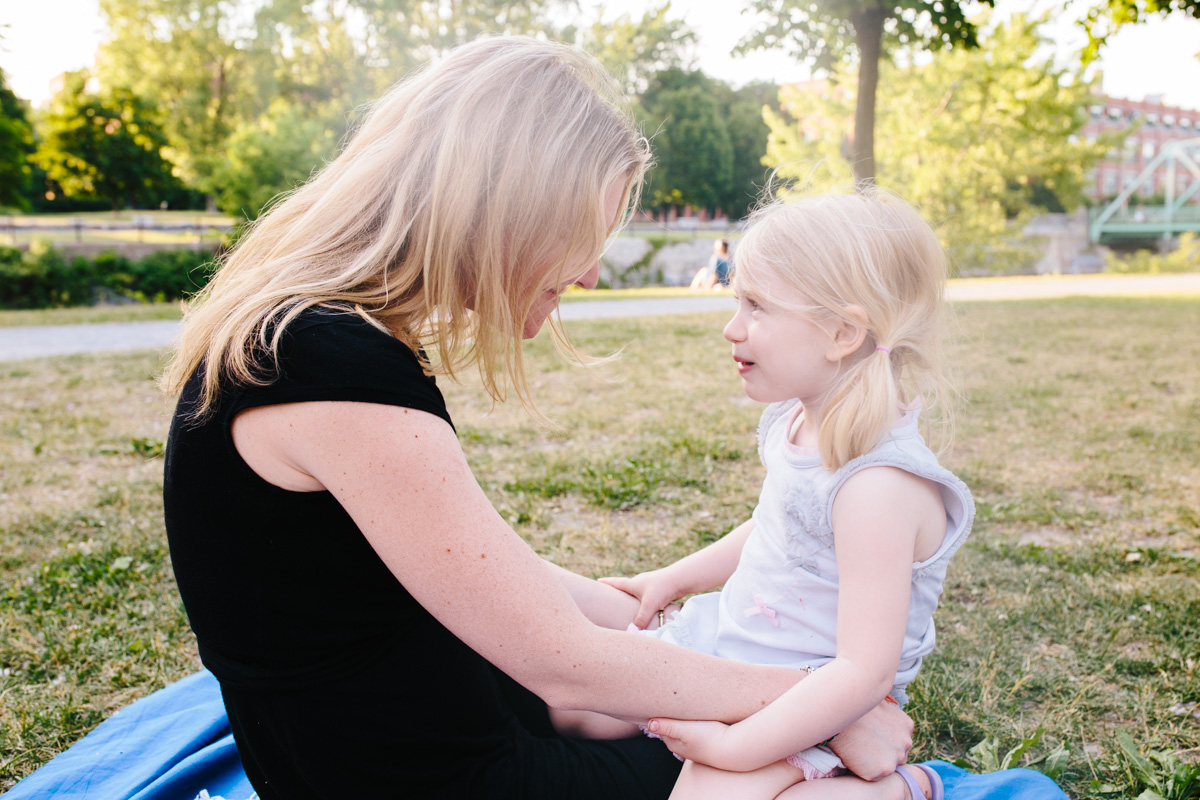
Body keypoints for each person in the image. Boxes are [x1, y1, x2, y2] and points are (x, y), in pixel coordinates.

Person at [159, 38, 913, 800]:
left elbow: (480, 575)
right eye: (581, 233)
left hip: (424, 720)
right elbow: (559, 660)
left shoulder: (313, 337)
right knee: (766, 771)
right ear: (504, 209)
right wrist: (820, 701)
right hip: (433, 777)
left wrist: (628, 606)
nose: (588, 273)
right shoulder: (328, 367)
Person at [598, 191, 974, 800]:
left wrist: (732, 748)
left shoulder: (878, 487)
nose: (732, 327)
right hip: (737, 652)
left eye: (757, 306)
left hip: (825, 704)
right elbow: (776, 529)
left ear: (842, 332)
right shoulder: (797, 420)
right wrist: (674, 577)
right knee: (580, 705)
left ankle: (905, 790)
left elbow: (862, 670)